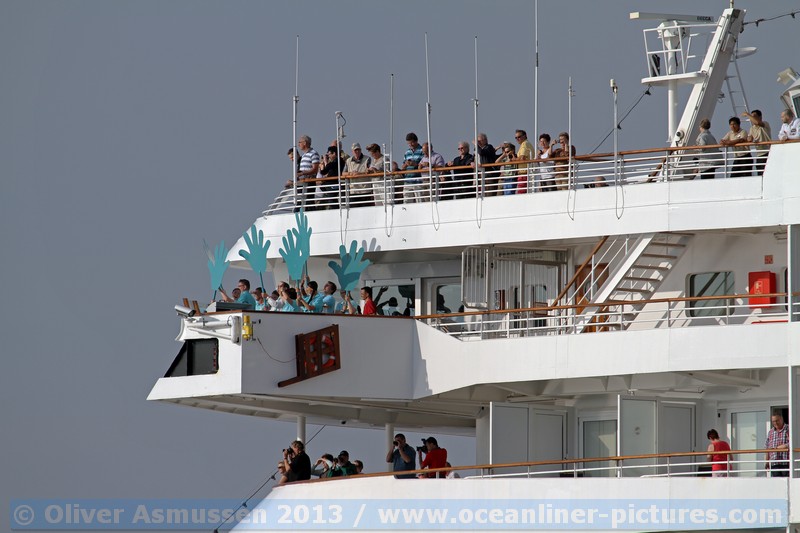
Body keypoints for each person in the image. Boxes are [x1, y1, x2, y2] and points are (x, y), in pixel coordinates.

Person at [743, 110, 771, 175]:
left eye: (754, 116)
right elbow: (749, 138)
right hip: (759, 155)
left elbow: (758, 123)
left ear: (760, 117)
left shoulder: (765, 124)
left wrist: (747, 115)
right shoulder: (752, 128)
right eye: (752, 117)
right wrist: (749, 138)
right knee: (760, 174)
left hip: (767, 152)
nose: (752, 118)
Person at [401, 132, 425, 203]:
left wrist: (415, 164)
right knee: (406, 201)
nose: (410, 145)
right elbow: (403, 166)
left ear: (416, 141)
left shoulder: (422, 150)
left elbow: (424, 162)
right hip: (408, 180)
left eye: (412, 143)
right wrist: (406, 165)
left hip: (418, 180)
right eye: (408, 143)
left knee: (420, 200)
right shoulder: (407, 152)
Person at [297, 135, 321, 205]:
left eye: (299, 142)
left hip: (309, 182)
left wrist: (302, 173)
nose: (298, 144)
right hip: (302, 182)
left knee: (308, 202)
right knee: (301, 202)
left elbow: (315, 169)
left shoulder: (313, 153)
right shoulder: (304, 155)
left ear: (305, 143)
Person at [765, 411, 789, 477]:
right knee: (777, 484)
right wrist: (767, 462)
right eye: (773, 421)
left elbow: (793, 443)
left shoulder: (789, 429)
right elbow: (767, 447)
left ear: (782, 419)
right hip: (774, 463)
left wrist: (782, 447)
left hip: (786, 463)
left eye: (777, 421)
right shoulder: (770, 432)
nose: (775, 423)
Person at [514, 129, 535, 194]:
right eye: (516, 137)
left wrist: (513, 160)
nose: (517, 139)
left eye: (519, 137)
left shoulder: (524, 144)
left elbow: (522, 157)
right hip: (525, 172)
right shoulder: (526, 144)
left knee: (521, 193)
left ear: (525, 136)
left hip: (524, 173)